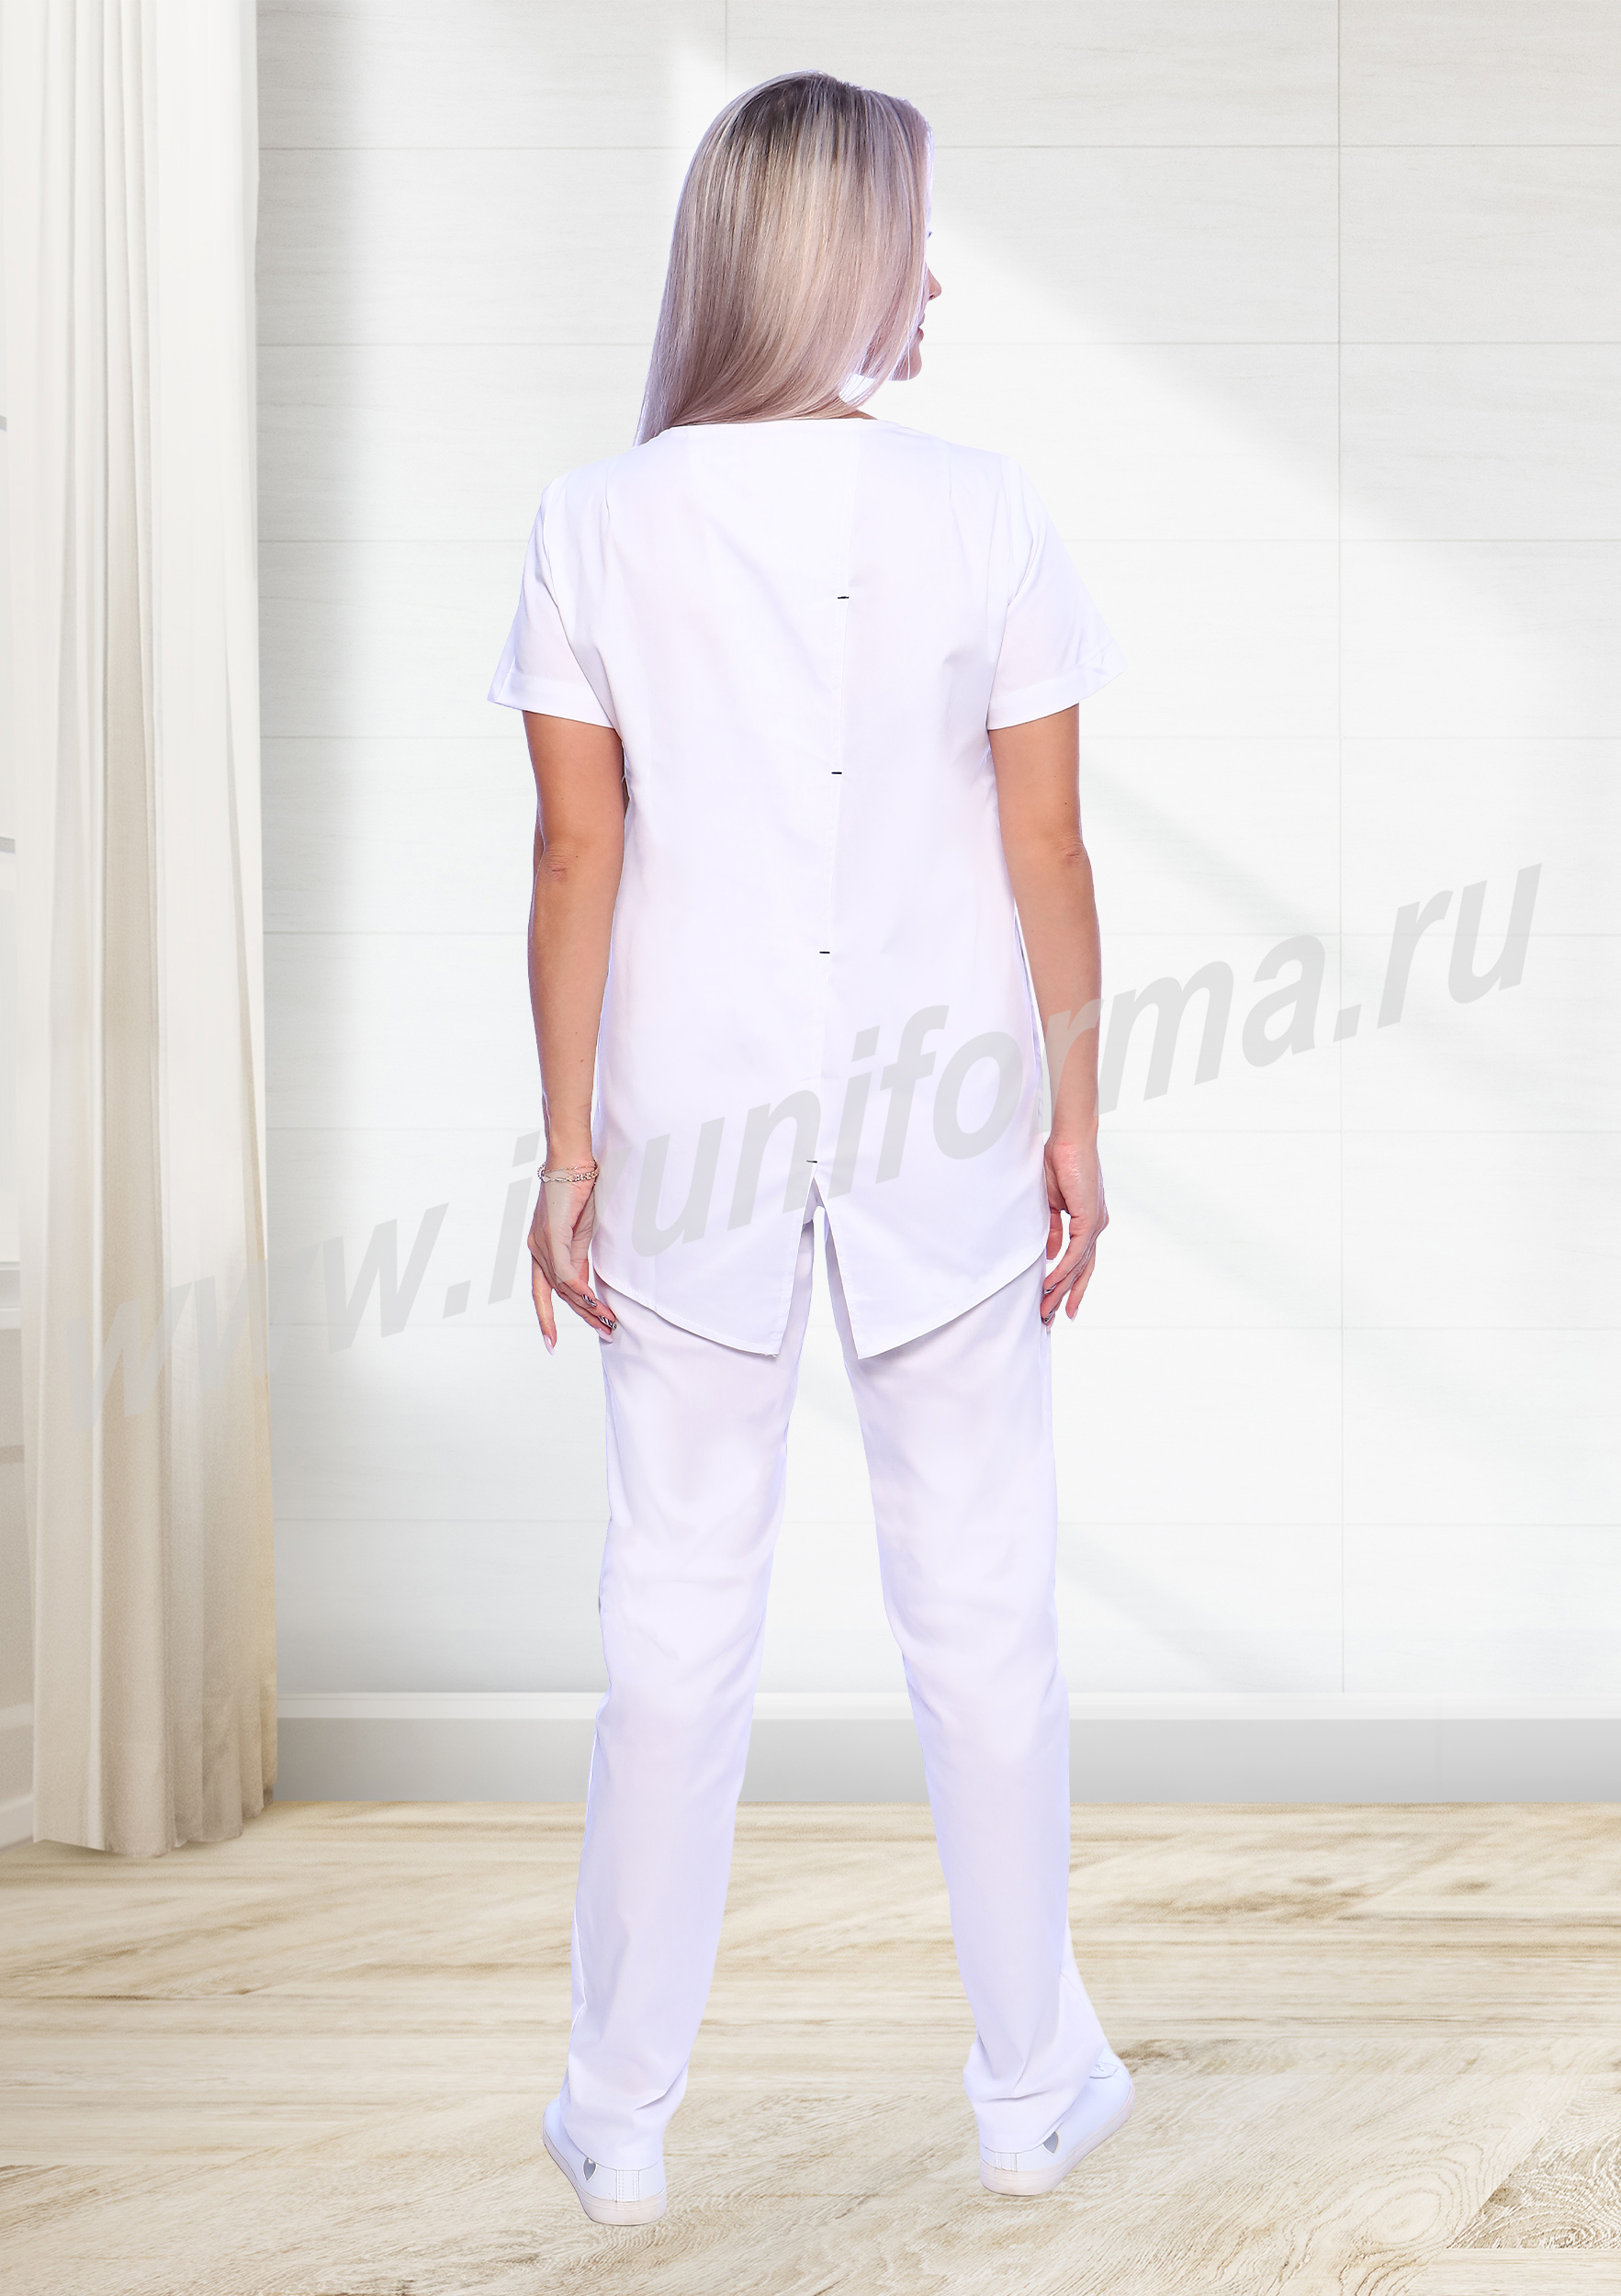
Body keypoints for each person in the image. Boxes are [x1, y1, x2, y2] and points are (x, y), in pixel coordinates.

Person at [489, 70, 1131, 2228]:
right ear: (838, 256)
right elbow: (1045, 847)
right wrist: (1078, 1116)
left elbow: (575, 857)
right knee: (986, 1604)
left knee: (672, 1618)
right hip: (951, 1126)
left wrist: (562, 1147)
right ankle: (1028, 2085)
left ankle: (617, 2112)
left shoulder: (593, 519)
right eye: (913, 236)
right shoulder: (986, 509)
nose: (932, 277)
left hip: (681, 1129)